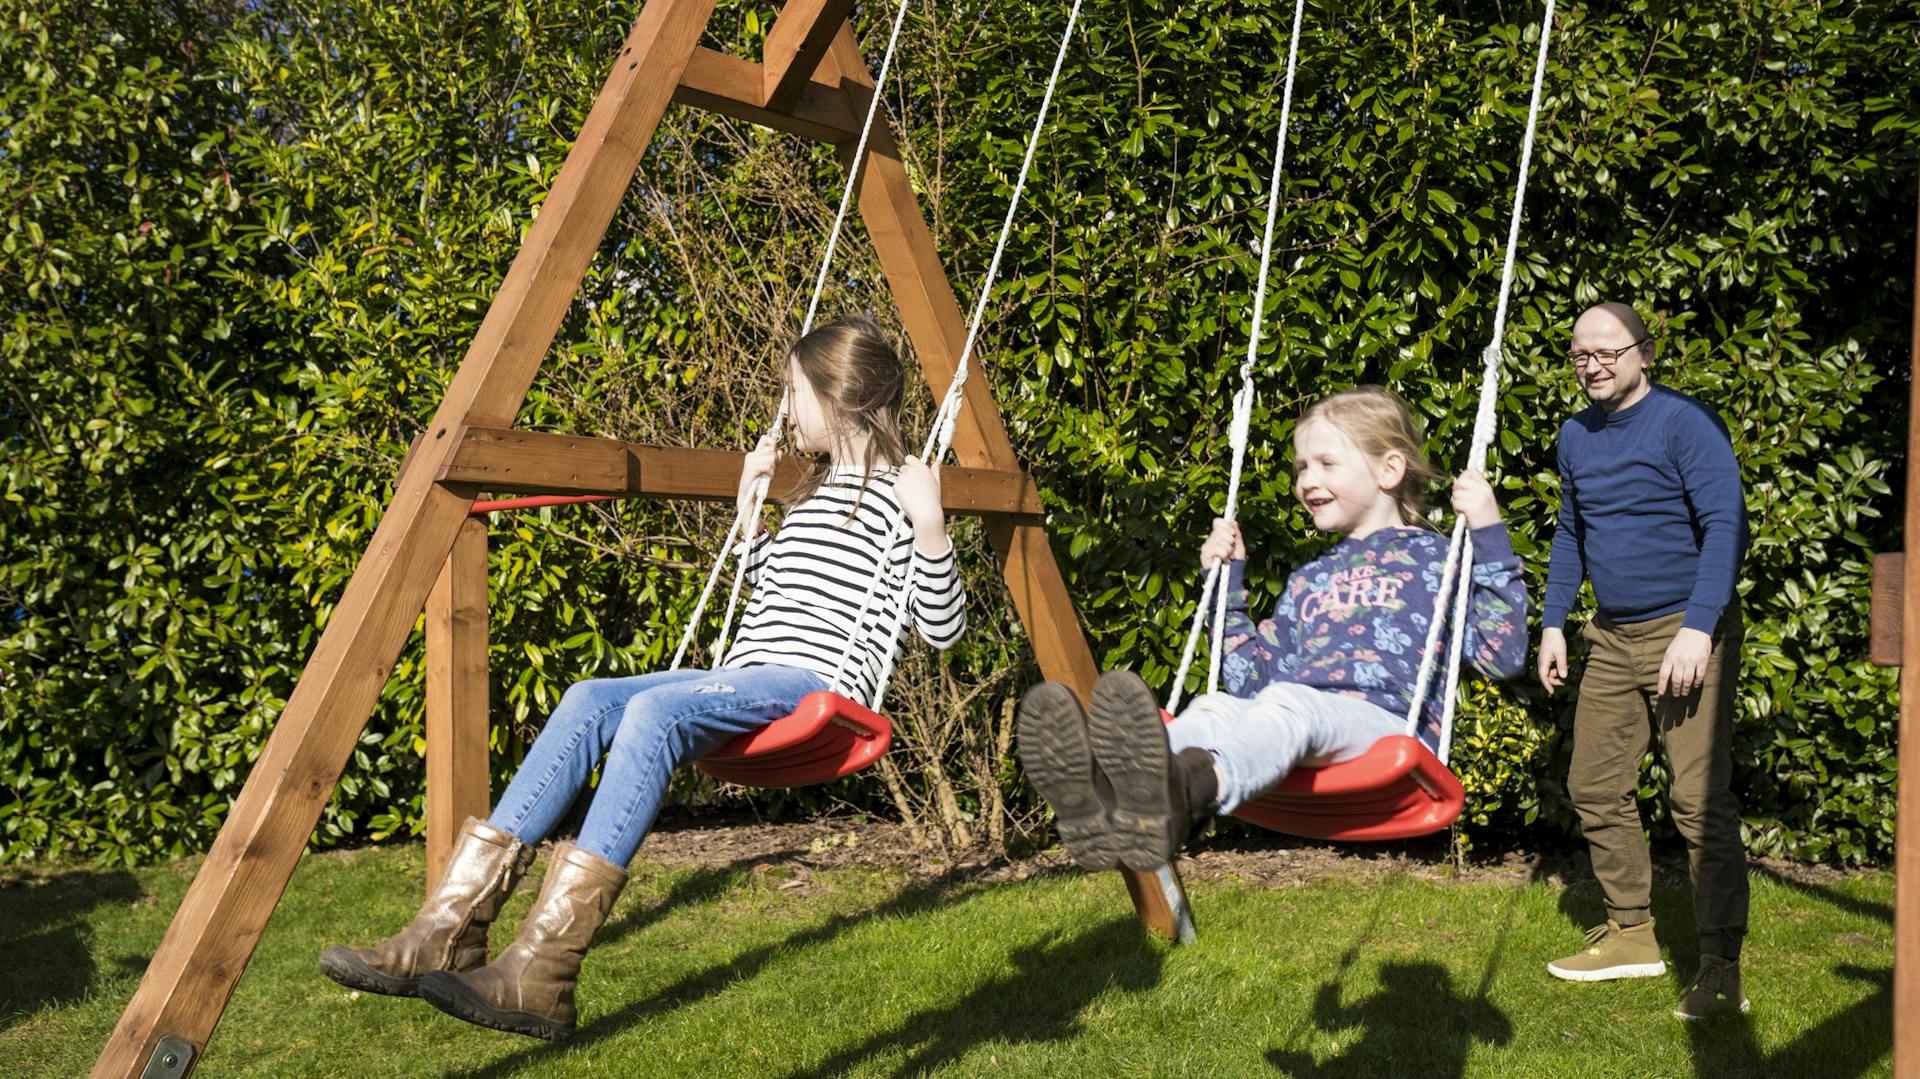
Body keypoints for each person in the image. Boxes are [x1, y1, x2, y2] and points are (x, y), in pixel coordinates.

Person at [317, 315, 967, 1041]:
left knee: (655, 711)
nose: (784, 409)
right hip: (748, 676)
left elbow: (942, 629)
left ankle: (545, 968)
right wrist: (751, 519)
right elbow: (773, 597)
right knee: (588, 696)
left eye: (792, 391)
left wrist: (933, 524)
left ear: (835, 392)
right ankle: (448, 927)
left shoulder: (905, 494)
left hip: (813, 686)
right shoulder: (810, 493)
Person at [1018, 386, 1526, 872]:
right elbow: (1250, 680)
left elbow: (1501, 655)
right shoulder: (1310, 581)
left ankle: (1189, 792)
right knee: (1216, 706)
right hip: (1302, 722)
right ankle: (1109, 790)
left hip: (1387, 727)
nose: (1307, 479)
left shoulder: (1442, 559)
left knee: (1289, 703)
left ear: (1389, 469)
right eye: (1302, 466)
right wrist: (1228, 587)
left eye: (1327, 463)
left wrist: (1488, 534)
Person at [1538, 302, 1751, 1020]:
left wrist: (1698, 628)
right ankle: (1632, 933)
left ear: (1644, 353)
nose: (1592, 365)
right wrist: (1553, 623)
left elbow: (1726, 521)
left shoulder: (1685, 423)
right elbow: (1572, 529)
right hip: (1612, 635)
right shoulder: (1575, 435)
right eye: (1579, 355)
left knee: (1696, 800)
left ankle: (1722, 964)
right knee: (1593, 782)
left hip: (1688, 631)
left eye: (1607, 352)